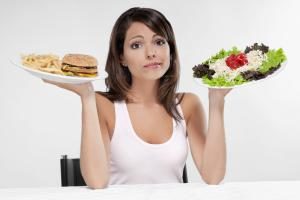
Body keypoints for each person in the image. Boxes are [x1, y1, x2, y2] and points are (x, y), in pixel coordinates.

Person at [44, 7, 231, 189]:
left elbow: (213, 177)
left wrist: (217, 101)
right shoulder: (104, 104)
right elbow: (96, 181)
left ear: (171, 50)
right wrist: (86, 96)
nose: (151, 53)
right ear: (121, 58)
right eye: (136, 45)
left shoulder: (188, 104)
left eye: (159, 42)